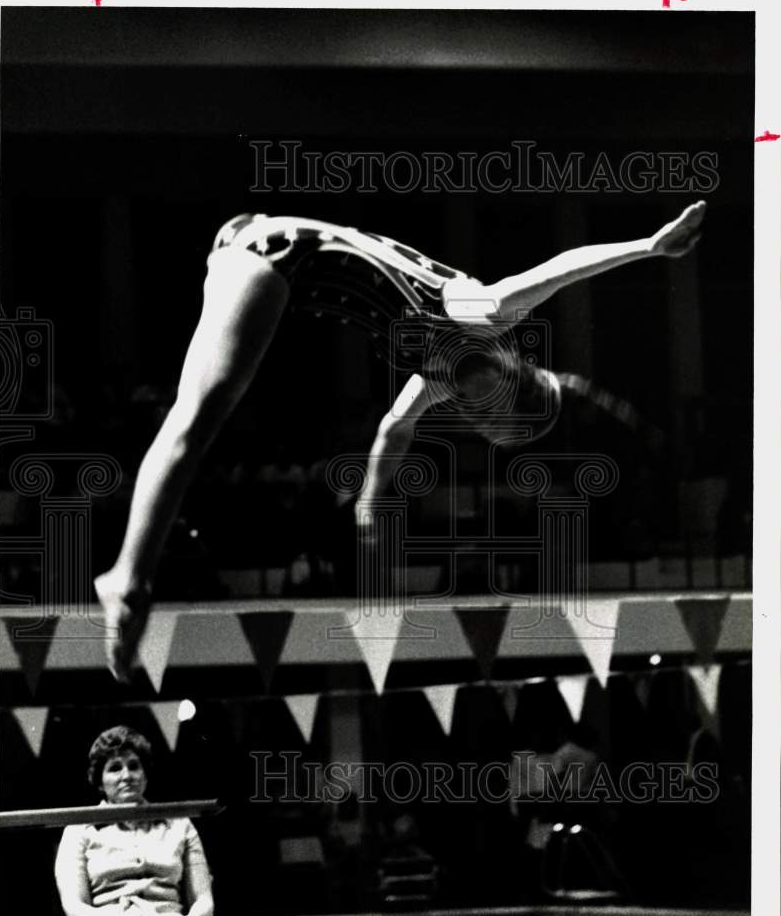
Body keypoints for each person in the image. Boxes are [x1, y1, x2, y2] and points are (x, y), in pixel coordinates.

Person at [96, 203, 706, 681]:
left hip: (264, 253)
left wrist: (370, 499)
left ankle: (130, 576)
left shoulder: (443, 378)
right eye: (498, 423)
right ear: (511, 387)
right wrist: (647, 247)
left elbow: (396, 427)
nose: (478, 425)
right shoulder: (484, 317)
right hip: (276, 253)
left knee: (200, 418)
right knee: (195, 421)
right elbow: (559, 269)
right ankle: (128, 577)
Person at [54, 725, 226, 916]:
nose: (127, 775)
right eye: (115, 768)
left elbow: (203, 899)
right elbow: (75, 911)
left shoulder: (179, 824)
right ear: (99, 780)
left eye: (134, 766)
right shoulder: (78, 830)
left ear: (145, 773)